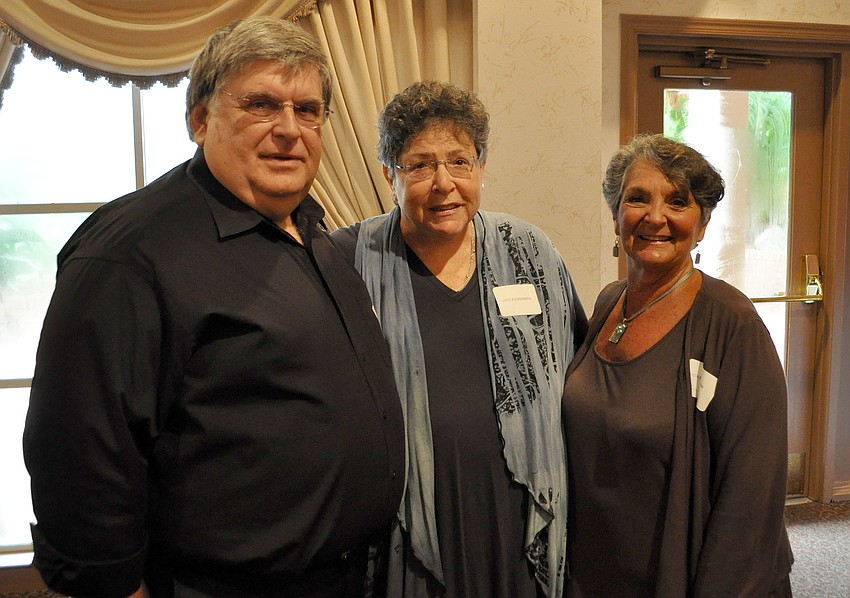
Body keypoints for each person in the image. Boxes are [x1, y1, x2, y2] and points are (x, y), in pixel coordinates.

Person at [23, 16, 405, 598]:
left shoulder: (310, 228)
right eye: (261, 105)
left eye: (308, 110)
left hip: (343, 578)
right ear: (200, 121)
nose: (289, 129)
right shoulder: (132, 251)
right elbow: (79, 451)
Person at [331, 80, 588, 598]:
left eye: (460, 161)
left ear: (481, 166)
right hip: (412, 519)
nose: (443, 182)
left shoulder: (530, 251)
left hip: (519, 518)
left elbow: (578, 371)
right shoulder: (349, 260)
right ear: (388, 174)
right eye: (420, 164)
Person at [562, 133, 794, 597]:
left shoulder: (733, 325)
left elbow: (751, 500)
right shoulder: (609, 303)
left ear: (702, 224)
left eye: (677, 201)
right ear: (615, 216)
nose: (655, 217)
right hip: (598, 569)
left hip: (684, 576)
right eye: (637, 199)